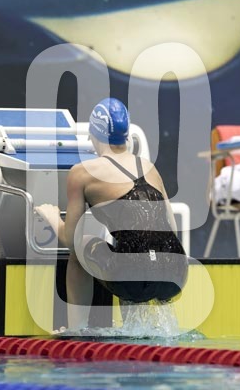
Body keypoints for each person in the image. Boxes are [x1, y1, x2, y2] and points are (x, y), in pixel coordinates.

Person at [36, 98, 188, 329]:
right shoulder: (149, 167)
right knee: (130, 249)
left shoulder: (82, 173)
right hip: (176, 274)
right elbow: (171, 229)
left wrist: (52, 217)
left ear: (93, 135)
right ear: (126, 136)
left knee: (81, 248)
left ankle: (77, 330)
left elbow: (71, 240)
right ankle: (135, 332)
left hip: (132, 278)